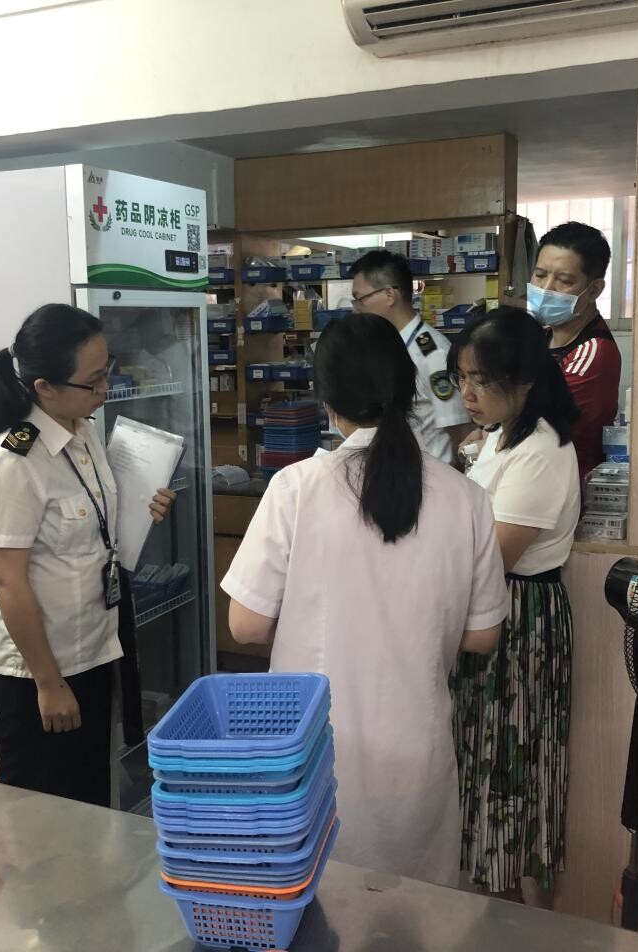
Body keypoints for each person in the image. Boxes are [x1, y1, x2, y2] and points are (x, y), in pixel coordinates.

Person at [221, 312, 508, 886]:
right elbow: (482, 636)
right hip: (415, 752)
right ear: (408, 389)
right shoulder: (466, 497)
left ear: (327, 402)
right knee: (414, 912)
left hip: (311, 752)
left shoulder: (297, 487)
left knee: (314, 902)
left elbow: (246, 625)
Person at [0, 304, 175, 806]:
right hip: (39, 671)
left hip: (92, 650)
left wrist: (143, 507)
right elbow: (7, 580)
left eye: (107, 370)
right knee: (42, 815)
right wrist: (49, 682)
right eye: (93, 380)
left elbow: (93, 531)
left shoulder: (82, 434)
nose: (105, 388)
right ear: (44, 387)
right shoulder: (13, 460)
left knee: (89, 803)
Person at [447, 307, 582, 902]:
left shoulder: (541, 450)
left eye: (482, 380)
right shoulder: (502, 437)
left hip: (520, 618)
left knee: (509, 765)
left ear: (525, 380)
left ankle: (513, 911)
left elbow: (492, 557)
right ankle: (493, 901)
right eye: (461, 378)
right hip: (492, 609)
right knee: (483, 760)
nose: (468, 393)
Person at [351, 249, 474, 464]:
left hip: (433, 474)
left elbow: (459, 431)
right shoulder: (390, 344)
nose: (356, 309)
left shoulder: (433, 353)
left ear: (389, 295)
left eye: (360, 299)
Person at [528, 222, 622, 483]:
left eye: (564, 281)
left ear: (594, 290)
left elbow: (545, 428)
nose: (546, 288)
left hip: (561, 483)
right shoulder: (541, 336)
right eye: (540, 274)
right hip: (532, 472)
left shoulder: (593, 352)